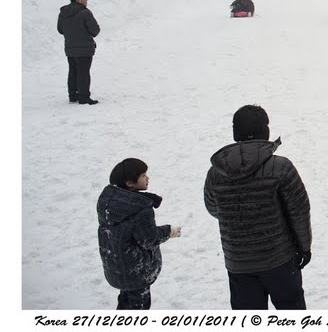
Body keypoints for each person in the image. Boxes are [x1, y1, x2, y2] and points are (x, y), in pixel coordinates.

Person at [204, 105, 312, 310]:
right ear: (266, 131)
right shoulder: (281, 167)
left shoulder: (216, 173)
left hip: (238, 263)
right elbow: (299, 211)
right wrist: (304, 247)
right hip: (280, 259)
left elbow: (213, 208)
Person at [97, 158, 181, 309]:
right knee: (138, 306)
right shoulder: (141, 209)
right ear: (130, 183)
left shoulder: (109, 202)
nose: (147, 178)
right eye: (143, 175)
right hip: (136, 271)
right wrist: (170, 231)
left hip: (117, 266)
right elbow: (149, 239)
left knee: (126, 301)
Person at [58, 0, 100, 105]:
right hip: (84, 48)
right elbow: (95, 31)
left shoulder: (63, 13)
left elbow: (60, 30)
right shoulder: (85, 12)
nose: (86, 0)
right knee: (83, 73)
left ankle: (72, 95)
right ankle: (84, 97)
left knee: (73, 71)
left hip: (70, 48)